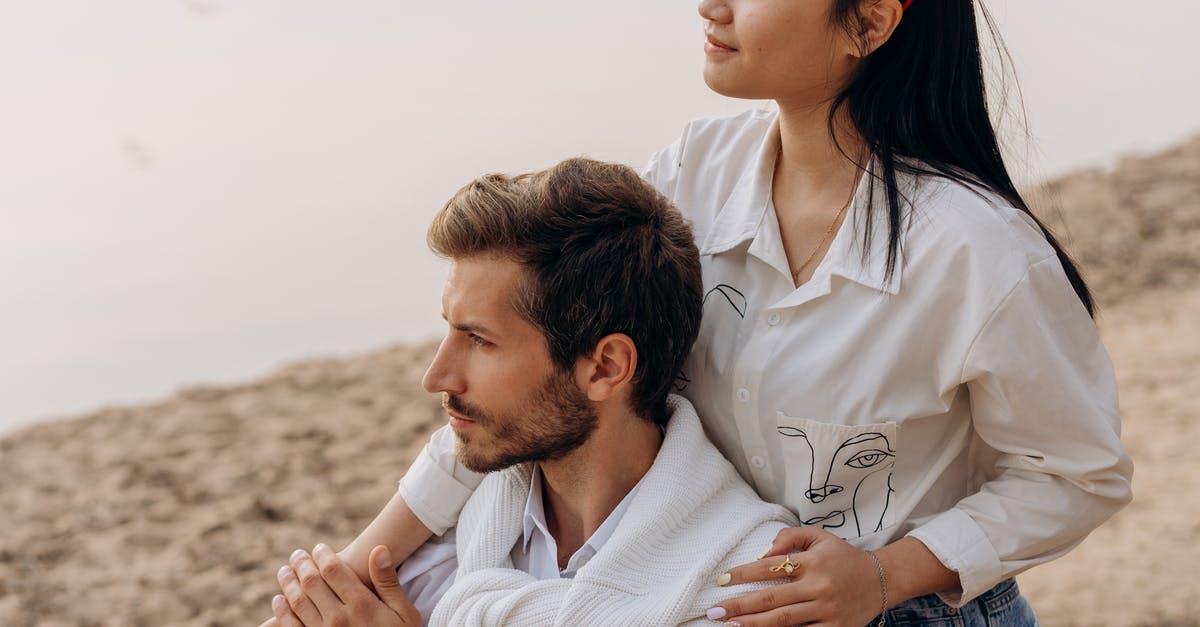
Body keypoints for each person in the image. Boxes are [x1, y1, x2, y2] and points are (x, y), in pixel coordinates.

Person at [274, 1, 1134, 625]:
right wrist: (361, 563)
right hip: (684, 565)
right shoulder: (694, 171)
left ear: (869, 22)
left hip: (899, 610)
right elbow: (539, 377)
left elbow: (1077, 472)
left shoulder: (979, 256)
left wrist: (882, 576)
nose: (710, 6)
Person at [264, 158, 800, 626]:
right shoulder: (450, 537)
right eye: (448, 330)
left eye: (479, 340)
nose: (435, 377)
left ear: (605, 368)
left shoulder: (751, 585)